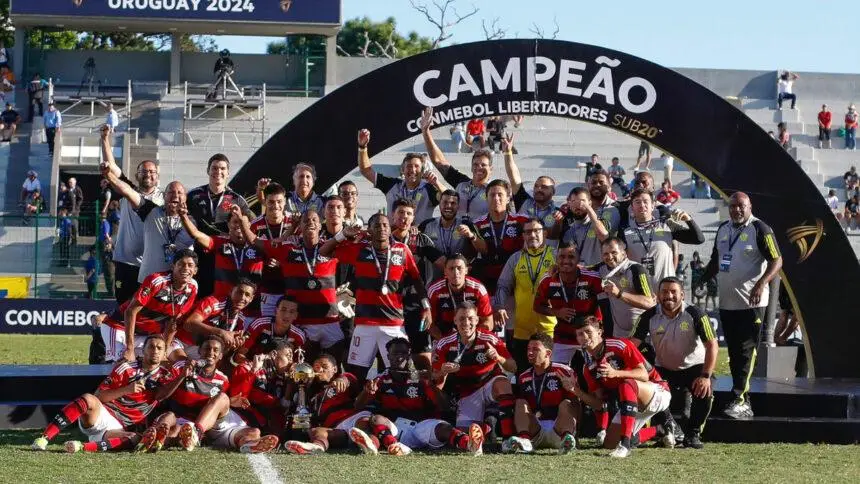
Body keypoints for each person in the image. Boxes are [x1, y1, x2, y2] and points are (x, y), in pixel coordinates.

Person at [320, 213, 431, 382]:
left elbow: (417, 279)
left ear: (390, 228)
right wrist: (343, 234)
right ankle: (356, 408)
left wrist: (426, 306)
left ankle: (395, 407)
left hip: (394, 324)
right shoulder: (359, 249)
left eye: (385, 225)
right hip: (365, 325)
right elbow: (323, 252)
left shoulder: (402, 250)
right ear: (369, 230)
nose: (382, 229)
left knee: (401, 374)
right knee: (356, 375)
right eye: (377, 226)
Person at [31, 334, 186, 453]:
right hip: (103, 415)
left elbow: (161, 395)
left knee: (134, 439)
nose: (155, 351)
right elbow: (99, 396)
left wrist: (183, 375)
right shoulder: (126, 368)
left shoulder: (166, 375)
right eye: (151, 347)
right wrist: (127, 389)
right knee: (88, 398)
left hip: (120, 428)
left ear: (165, 353)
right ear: (143, 350)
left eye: (159, 348)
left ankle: (81, 447)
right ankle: (43, 439)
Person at [703, 192, 782, 419]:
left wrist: (761, 284)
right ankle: (739, 398)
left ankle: (741, 400)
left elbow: (777, 260)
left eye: (741, 206)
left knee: (747, 351)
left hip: (752, 303)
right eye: (733, 206)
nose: (736, 210)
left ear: (749, 206)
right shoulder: (723, 229)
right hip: (728, 302)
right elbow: (716, 261)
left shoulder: (760, 229)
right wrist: (701, 280)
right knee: (735, 353)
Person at [354, 337, 485, 456]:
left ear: (409, 355)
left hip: (421, 427)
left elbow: (444, 406)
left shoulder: (420, 378)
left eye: (403, 353)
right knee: (376, 419)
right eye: (395, 353)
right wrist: (367, 392)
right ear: (388, 356)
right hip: (396, 430)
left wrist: (430, 386)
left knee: (444, 427)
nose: (400, 357)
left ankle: (469, 444)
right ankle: (394, 446)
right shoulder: (380, 380)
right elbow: (357, 405)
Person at [240, 209, 341, 360]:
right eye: (306, 220)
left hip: (330, 320)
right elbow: (255, 241)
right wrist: (242, 222)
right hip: (303, 322)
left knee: (334, 366)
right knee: (303, 367)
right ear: (299, 226)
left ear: (321, 226)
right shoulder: (288, 250)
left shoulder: (332, 248)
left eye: (314, 220)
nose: (310, 223)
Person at [631, 277, 718, 449]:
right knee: (649, 391)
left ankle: (693, 434)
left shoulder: (696, 314)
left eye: (673, 292)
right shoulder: (648, 316)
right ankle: (669, 427)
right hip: (663, 368)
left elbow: (712, 345)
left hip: (694, 367)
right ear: (658, 295)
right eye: (664, 292)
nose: (668, 296)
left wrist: (706, 376)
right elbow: (631, 346)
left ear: (682, 295)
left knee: (705, 390)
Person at [569, 316, 672, 458]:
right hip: (630, 401)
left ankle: (625, 445)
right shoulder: (588, 368)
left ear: (599, 332)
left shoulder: (619, 345)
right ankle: (661, 430)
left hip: (656, 391)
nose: (584, 337)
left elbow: (643, 375)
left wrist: (615, 373)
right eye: (580, 334)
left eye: (588, 331)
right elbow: (600, 404)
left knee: (626, 383)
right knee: (609, 443)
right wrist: (576, 391)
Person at [432, 303, 518, 441]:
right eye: (461, 319)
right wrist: (442, 371)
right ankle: (490, 426)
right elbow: (434, 376)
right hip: (468, 391)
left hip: (490, 381)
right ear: (454, 320)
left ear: (477, 320)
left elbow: (513, 367)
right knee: (466, 434)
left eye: (470, 318)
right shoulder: (444, 343)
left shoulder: (489, 338)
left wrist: (498, 357)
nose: (466, 323)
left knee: (503, 383)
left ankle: (508, 439)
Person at [99, 126, 164, 303]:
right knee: (124, 308)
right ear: (137, 175)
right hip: (126, 262)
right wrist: (105, 139)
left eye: (152, 172)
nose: (148, 174)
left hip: (153, 265)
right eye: (144, 171)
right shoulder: (128, 189)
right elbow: (112, 168)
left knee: (147, 312)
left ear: (158, 176)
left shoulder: (164, 199)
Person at [100, 249, 199, 362]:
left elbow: (174, 322)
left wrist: (165, 350)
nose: (186, 268)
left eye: (190, 265)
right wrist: (130, 348)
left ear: (195, 270)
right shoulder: (157, 281)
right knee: (125, 366)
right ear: (173, 267)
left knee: (179, 362)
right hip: (120, 327)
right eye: (181, 264)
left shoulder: (193, 288)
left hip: (150, 335)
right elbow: (130, 311)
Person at [102, 162, 194, 283]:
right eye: (170, 192)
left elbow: (200, 238)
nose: (175, 195)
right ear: (164, 196)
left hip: (177, 282)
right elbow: (127, 191)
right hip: (149, 281)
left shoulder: (192, 221)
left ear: (186, 197)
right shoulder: (152, 212)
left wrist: (184, 217)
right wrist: (108, 175)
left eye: (179, 193)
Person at [388, 198, 445, 369]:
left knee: (422, 359)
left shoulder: (420, 240)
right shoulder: (384, 241)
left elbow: (443, 262)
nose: (404, 217)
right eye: (400, 213)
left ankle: (423, 394)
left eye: (408, 214)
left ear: (413, 218)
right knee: (391, 356)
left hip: (416, 305)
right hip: (390, 306)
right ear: (393, 215)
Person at [494, 218, 556, 370]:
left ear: (545, 233)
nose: (532, 235)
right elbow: (503, 285)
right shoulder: (516, 258)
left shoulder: (556, 256)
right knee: (522, 373)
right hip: (522, 329)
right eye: (528, 232)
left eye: (537, 231)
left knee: (549, 372)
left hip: (549, 328)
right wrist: (500, 306)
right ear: (523, 236)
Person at [185, 154, 251, 297]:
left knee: (222, 296)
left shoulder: (237, 199)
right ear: (208, 171)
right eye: (214, 168)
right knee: (198, 296)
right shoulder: (192, 196)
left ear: (228, 173)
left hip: (226, 256)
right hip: (199, 255)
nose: (218, 172)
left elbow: (250, 224)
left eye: (222, 168)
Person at [283, 354, 374, 455]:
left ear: (334, 369)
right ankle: (317, 447)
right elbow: (301, 421)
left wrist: (341, 380)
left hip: (354, 420)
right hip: (335, 430)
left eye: (325, 367)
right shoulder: (312, 394)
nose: (320, 370)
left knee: (367, 422)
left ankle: (379, 444)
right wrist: (298, 383)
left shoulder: (342, 379)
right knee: (317, 432)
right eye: (316, 368)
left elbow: (349, 379)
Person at [504, 333, 579, 454]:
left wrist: (577, 432)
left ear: (548, 353)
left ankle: (567, 439)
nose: (530, 353)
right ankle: (525, 440)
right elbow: (521, 412)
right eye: (528, 349)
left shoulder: (564, 371)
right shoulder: (524, 377)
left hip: (558, 429)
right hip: (536, 430)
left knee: (567, 403)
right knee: (520, 402)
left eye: (535, 349)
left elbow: (576, 404)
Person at [533, 244, 603, 368]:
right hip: (563, 335)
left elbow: (605, 306)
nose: (566, 261)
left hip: (589, 335)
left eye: (571, 257)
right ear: (556, 259)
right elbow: (537, 307)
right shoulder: (547, 279)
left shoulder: (592, 278)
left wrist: (599, 329)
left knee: (598, 370)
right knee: (555, 372)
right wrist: (557, 312)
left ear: (578, 259)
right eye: (562, 257)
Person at [620, 188, 704, 293]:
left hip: (667, 293)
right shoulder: (625, 232)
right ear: (632, 207)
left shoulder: (667, 225)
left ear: (653, 205)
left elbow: (698, 239)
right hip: (640, 293)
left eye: (646, 201)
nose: (642, 205)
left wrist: (688, 220)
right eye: (637, 202)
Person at [358, 128, 442, 225]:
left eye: (417, 166)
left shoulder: (429, 189)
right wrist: (362, 147)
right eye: (409, 166)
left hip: (419, 237)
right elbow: (366, 171)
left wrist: (437, 183)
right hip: (393, 236)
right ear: (402, 170)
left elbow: (448, 198)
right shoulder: (392, 185)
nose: (413, 170)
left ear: (422, 171)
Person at [421, 107, 493, 220]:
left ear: (491, 168)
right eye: (475, 164)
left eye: (483, 165)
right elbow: (439, 161)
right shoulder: (462, 183)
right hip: (457, 235)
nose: (479, 167)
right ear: (471, 167)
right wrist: (426, 132)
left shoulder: (494, 189)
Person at [462, 179, 530, 295]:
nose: (496, 198)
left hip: (516, 279)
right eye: (492, 195)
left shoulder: (522, 221)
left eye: (500, 195)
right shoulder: (477, 224)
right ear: (486, 198)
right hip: (488, 281)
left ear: (508, 198)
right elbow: (471, 255)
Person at [180, 207, 262, 300]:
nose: (239, 225)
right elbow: (195, 233)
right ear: (228, 225)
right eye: (235, 222)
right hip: (222, 302)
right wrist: (183, 216)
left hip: (250, 303)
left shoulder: (259, 245)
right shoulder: (219, 242)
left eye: (242, 222)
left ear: (250, 225)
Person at [175, 279, 257, 360]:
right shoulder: (213, 302)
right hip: (180, 343)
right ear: (231, 291)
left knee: (215, 363)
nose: (242, 297)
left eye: (247, 295)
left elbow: (224, 350)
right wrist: (221, 333)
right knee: (183, 365)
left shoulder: (241, 319)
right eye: (239, 292)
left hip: (202, 351)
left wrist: (232, 345)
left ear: (251, 299)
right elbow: (189, 324)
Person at [592, 237, 656, 339]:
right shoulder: (601, 268)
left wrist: (619, 294)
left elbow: (650, 303)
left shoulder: (636, 269)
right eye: (605, 254)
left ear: (623, 253)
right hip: (619, 334)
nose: (610, 257)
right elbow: (581, 270)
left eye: (614, 252)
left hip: (642, 334)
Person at [248, 181, 292, 317]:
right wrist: (264, 258)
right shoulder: (254, 226)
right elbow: (249, 254)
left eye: (279, 201)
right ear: (264, 202)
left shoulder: (294, 225)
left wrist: (282, 263)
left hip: (290, 287)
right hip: (265, 288)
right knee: (267, 326)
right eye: (271, 202)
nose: (276, 206)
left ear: (285, 202)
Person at [427, 253, 494, 339]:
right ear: (445, 271)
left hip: (473, 335)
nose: (455, 272)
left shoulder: (478, 289)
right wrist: (447, 342)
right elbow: (429, 323)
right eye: (451, 268)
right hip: (443, 336)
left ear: (466, 270)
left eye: (459, 268)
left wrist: (471, 339)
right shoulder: (434, 290)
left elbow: (489, 322)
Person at [503, 134, 558, 230]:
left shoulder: (558, 213)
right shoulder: (524, 202)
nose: (538, 189)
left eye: (544, 187)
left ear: (553, 191)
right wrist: (508, 152)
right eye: (536, 186)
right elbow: (514, 177)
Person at [552, 186, 611, 267]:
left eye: (582, 201)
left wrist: (588, 208)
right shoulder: (567, 227)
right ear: (569, 203)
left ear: (590, 203)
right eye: (573, 201)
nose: (578, 205)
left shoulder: (600, 223)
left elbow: (604, 236)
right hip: (574, 274)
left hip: (594, 273)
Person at [238, 295, 307, 360]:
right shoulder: (259, 324)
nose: (287, 315)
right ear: (276, 311)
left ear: (296, 315)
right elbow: (241, 352)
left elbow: (298, 362)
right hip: (254, 365)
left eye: (291, 312)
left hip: (281, 370)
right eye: (283, 310)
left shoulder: (299, 336)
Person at [418, 189, 473, 263]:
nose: (448, 206)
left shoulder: (467, 225)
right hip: (433, 274)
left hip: (457, 272)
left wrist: (472, 236)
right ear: (439, 204)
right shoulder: (426, 225)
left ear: (458, 206)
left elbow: (483, 250)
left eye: (453, 203)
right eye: (445, 202)